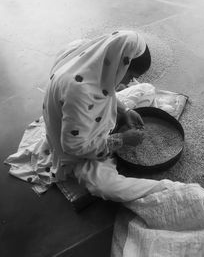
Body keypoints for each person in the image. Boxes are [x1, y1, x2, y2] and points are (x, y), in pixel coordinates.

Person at [14, 30, 171, 200]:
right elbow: (74, 147)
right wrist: (122, 139)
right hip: (77, 152)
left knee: (146, 90)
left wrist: (125, 111)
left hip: (86, 120)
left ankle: (116, 124)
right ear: (122, 64)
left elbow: (106, 92)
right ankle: (168, 189)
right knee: (106, 187)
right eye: (131, 75)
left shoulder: (97, 61)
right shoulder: (79, 92)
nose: (129, 82)